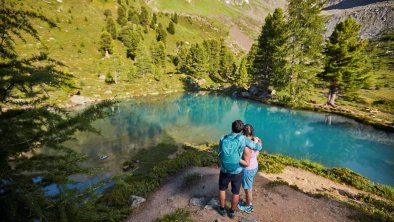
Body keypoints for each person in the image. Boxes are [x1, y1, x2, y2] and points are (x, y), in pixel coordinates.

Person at [218, 120, 262, 218]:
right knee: (236, 192)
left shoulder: (223, 138)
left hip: (224, 169)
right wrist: (256, 141)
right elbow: (257, 148)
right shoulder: (243, 139)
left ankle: (221, 209)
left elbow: (219, 154)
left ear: (232, 128)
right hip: (237, 170)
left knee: (222, 189)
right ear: (241, 129)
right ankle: (232, 212)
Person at [238, 124, 261, 213]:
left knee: (248, 190)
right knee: (248, 187)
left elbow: (246, 162)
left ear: (243, 131)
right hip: (255, 166)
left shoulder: (245, 144)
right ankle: (248, 203)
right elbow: (257, 153)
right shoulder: (258, 140)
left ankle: (248, 206)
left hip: (248, 169)